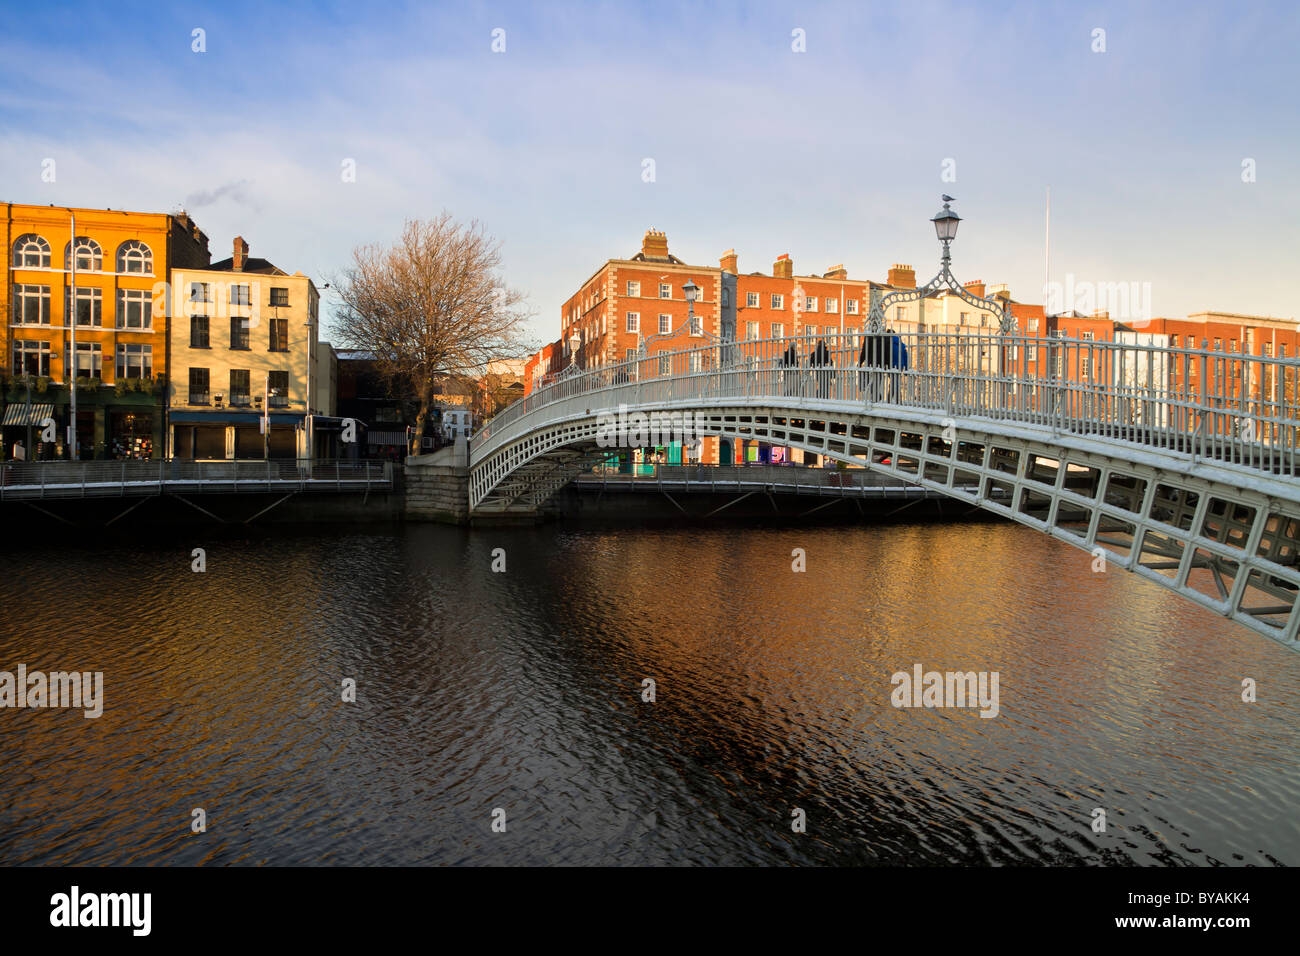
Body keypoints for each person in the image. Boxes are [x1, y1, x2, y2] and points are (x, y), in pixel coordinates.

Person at [887, 328, 910, 402]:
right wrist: (906, 368)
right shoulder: (901, 344)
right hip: (900, 365)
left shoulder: (888, 343)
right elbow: (905, 357)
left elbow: (885, 355)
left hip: (891, 365)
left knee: (894, 383)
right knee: (895, 382)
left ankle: (892, 400)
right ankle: (895, 400)